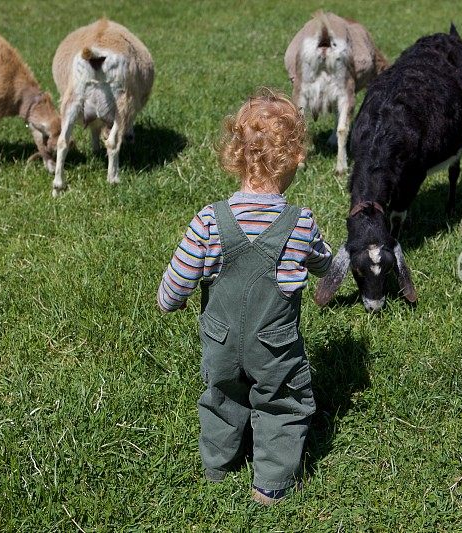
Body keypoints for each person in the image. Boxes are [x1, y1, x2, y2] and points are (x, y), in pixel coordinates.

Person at [157, 89, 332, 505]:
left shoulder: (208, 219)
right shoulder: (300, 222)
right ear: (295, 159)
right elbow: (323, 260)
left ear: (236, 155)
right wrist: (327, 270)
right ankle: (270, 485)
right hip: (274, 344)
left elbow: (178, 276)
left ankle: (217, 467)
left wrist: (170, 300)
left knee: (220, 395)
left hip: (219, 338)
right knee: (282, 401)